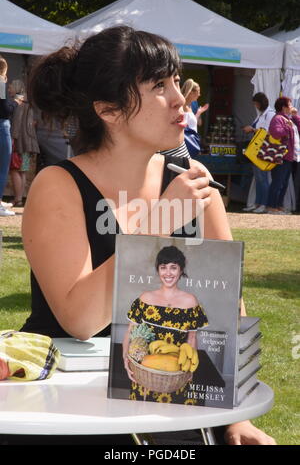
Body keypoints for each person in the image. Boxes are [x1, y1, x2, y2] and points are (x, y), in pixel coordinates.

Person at [20, 25, 275, 445]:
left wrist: (237, 420)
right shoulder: (59, 184)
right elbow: (81, 321)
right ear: (109, 110)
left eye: (176, 79)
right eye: (158, 84)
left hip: (172, 401)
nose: (180, 98)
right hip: (69, 412)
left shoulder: (195, 187)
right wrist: (158, 224)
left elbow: (226, 313)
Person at [123, 245, 208, 403]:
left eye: (173, 268)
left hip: (176, 374)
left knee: (179, 422)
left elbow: (191, 339)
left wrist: (189, 369)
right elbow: (130, 332)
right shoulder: (144, 299)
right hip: (146, 373)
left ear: (181, 270)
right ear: (158, 270)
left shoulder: (190, 302)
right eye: (163, 267)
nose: (168, 273)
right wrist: (126, 361)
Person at [242, 92, 275, 213]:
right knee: (258, 178)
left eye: (256, 104)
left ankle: (263, 204)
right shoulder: (261, 115)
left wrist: (252, 129)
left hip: (263, 151)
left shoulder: (270, 114)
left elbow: (266, 133)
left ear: (261, 103)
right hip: (255, 150)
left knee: (263, 178)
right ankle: (257, 203)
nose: (255, 106)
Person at [9, 81, 40, 207]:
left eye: (10, 86)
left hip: (19, 143)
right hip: (29, 143)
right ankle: (20, 199)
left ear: (16, 88)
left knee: (15, 170)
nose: (9, 88)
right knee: (22, 171)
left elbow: (16, 123)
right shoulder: (29, 103)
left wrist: (12, 138)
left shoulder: (19, 103)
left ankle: (17, 199)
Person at [267, 96, 300, 214]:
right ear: (283, 107)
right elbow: (275, 133)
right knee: (278, 182)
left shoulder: (289, 118)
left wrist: (295, 117)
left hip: (289, 156)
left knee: (284, 183)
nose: (291, 107)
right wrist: (288, 126)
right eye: (289, 105)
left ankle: (278, 206)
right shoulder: (278, 118)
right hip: (281, 156)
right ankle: (271, 206)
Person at [0, 57, 20, 216]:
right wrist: (15, 102)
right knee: (3, 167)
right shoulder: (0, 83)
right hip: (2, 127)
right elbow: (5, 109)